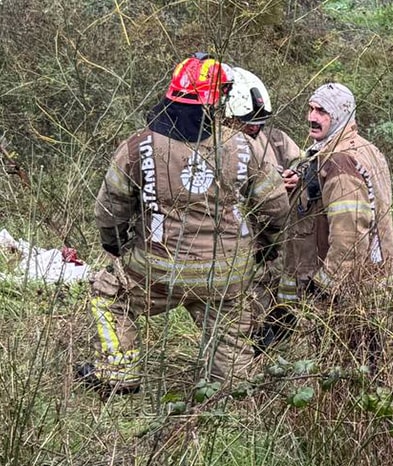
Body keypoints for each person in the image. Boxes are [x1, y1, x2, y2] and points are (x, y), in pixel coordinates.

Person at [76, 53, 292, 395]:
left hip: (157, 270)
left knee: (108, 293)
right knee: (230, 334)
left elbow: (109, 209)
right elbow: (276, 209)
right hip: (225, 273)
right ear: (218, 101)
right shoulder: (245, 146)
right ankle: (230, 391)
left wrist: (116, 245)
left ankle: (120, 372)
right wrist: (265, 249)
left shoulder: (138, 146)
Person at [274, 82, 393, 359]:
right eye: (311, 108)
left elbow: (350, 237)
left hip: (345, 295)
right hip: (368, 287)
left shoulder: (341, 162)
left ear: (341, 115)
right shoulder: (361, 149)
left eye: (322, 111)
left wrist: (323, 289)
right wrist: (303, 182)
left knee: (344, 364)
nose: (312, 117)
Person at [221, 66, 303, 353]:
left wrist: (296, 176)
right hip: (232, 247)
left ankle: (262, 351)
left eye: (260, 121)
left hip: (271, 244)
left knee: (266, 295)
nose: (255, 127)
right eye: (247, 121)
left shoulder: (276, 139)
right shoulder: (213, 147)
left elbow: (300, 162)